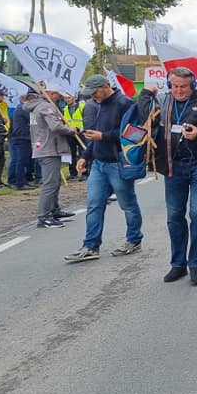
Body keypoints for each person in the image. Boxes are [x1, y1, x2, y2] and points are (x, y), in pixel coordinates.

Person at [139, 67, 197, 286]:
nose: (178, 91)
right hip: (172, 167)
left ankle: (196, 265)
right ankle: (178, 264)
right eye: (175, 86)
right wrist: (145, 95)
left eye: (183, 87)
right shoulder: (163, 101)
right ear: (169, 84)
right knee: (174, 217)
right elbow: (143, 118)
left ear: (193, 85)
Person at [63, 75, 145, 263]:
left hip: (118, 162)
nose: (92, 96)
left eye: (95, 92)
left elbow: (135, 134)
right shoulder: (98, 104)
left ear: (106, 86)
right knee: (94, 204)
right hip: (98, 163)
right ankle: (90, 246)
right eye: (90, 94)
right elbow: (95, 135)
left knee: (127, 204)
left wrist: (104, 136)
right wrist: (85, 156)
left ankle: (134, 239)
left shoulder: (125, 103)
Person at [23, 88, 78, 228]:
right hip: (49, 149)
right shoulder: (46, 107)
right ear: (51, 93)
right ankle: (44, 217)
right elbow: (56, 127)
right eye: (58, 94)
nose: (60, 96)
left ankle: (54, 210)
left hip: (42, 147)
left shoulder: (35, 108)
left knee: (55, 181)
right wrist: (72, 130)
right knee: (50, 184)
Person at [6, 96, 32, 190]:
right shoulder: (23, 109)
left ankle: (14, 180)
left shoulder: (18, 109)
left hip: (15, 137)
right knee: (21, 160)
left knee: (16, 160)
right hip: (21, 137)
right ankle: (20, 182)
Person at [62, 93, 85, 180]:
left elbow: (86, 120)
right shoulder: (65, 109)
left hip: (81, 133)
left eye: (69, 98)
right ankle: (73, 172)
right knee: (71, 153)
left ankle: (84, 172)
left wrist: (80, 129)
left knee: (83, 153)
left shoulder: (82, 107)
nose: (67, 100)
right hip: (70, 134)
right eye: (65, 98)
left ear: (74, 98)